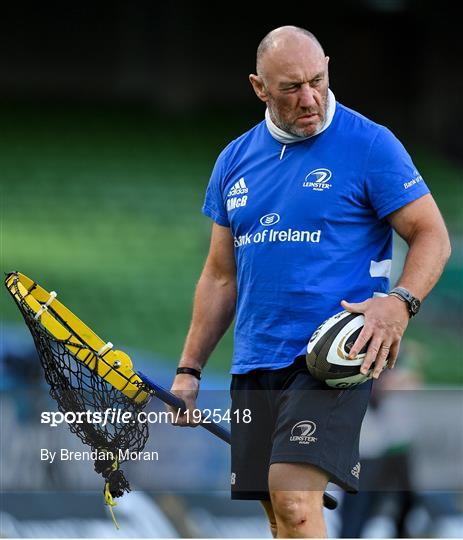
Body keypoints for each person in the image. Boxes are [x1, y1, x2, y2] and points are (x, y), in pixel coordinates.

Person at [169, 26, 451, 538]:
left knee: (295, 502)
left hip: (333, 359)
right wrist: (189, 370)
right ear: (260, 88)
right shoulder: (233, 160)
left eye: (318, 80)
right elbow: (219, 276)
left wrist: (400, 301)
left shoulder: (369, 144)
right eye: (291, 88)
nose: (310, 98)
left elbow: (432, 235)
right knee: (281, 518)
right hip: (256, 359)